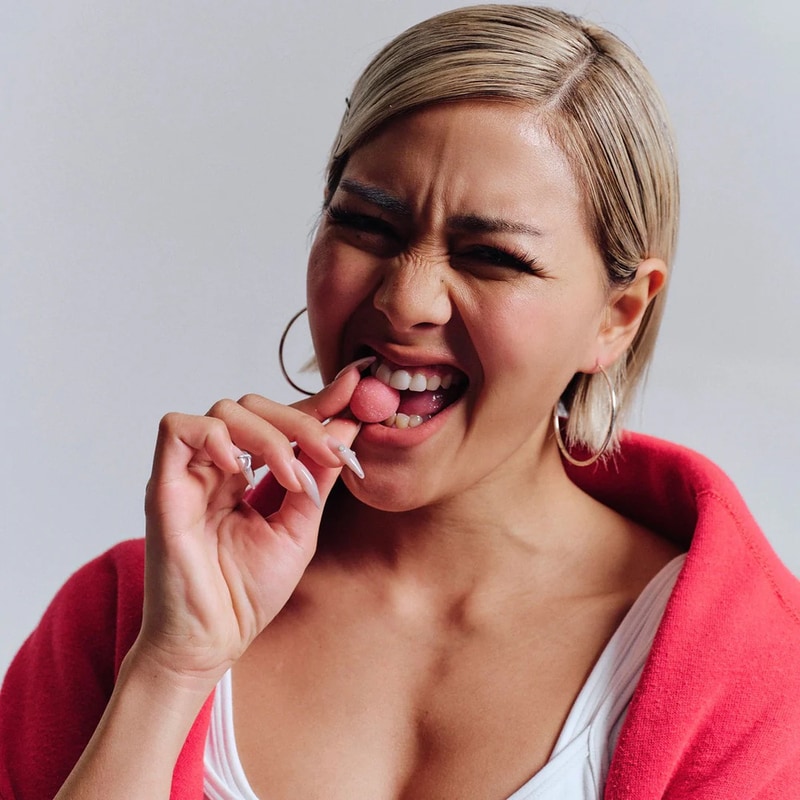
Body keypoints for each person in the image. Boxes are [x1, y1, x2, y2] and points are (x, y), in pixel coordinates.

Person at [1, 5, 798, 799]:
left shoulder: (759, 674)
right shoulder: (128, 619)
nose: (406, 299)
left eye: (493, 256)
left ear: (617, 316)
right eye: (365, 224)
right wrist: (171, 668)